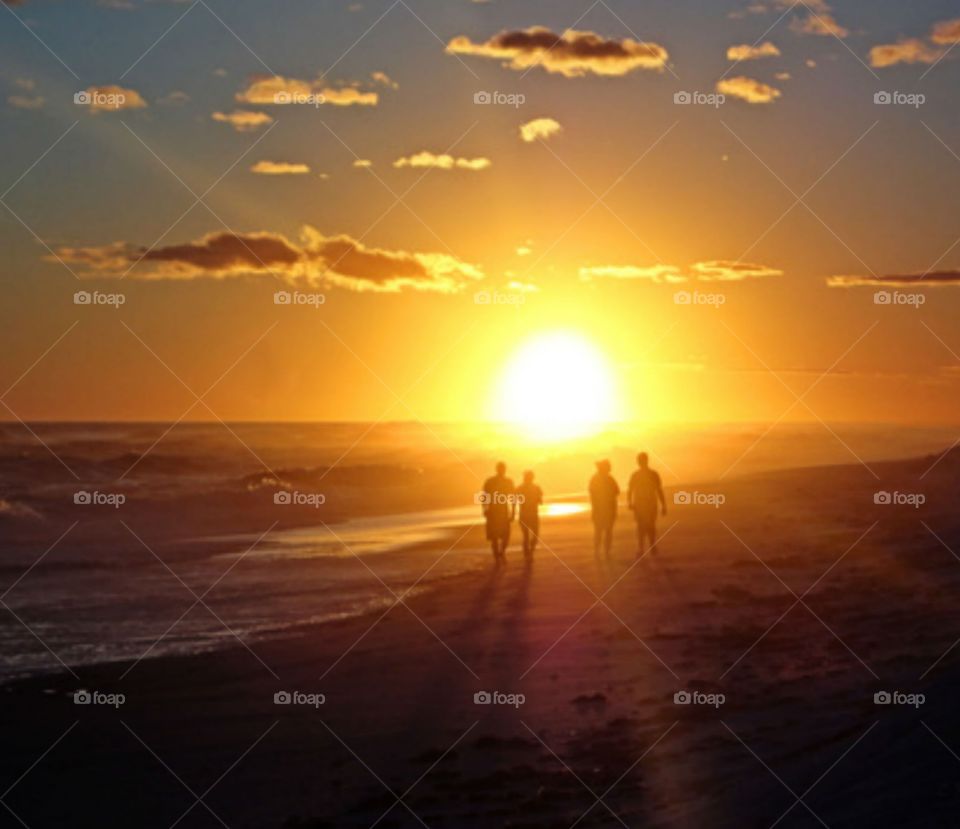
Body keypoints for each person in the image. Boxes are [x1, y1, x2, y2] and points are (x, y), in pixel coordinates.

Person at [627, 452, 666, 558]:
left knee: (648, 526)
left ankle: (648, 547)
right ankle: (644, 547)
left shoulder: (649, 474)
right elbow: (630, 490)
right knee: (644, 526)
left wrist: (664, 505)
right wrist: (629, 502)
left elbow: (659, 490)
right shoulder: (648, 474)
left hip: (647, 504)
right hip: (642, 504)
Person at [481, 461, 515, 563]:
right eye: (500, 469)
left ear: (505, 470)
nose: (502, 471)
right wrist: (485, 509)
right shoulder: (490, 481)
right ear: (497, 469)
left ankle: (501, 552)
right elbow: (484, 496)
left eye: (503, 469)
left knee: (506, 535)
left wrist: (513, 512)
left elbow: (513, 497)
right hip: (492, 511)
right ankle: (497, 557)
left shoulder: (508, 482)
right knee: (494, 537)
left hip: (503, 510)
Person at [588, 459, 619, 557]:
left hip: (600, 509)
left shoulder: (595, 479)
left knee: (599, 531)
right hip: (606, 509)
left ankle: (599, 551)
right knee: (606, 531)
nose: (610, 468)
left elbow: (592, 494)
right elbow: (616, 491)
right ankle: (605, 552)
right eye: (608, 466)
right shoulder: (609, 479)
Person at [516, 470, 543, 559]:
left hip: (529, 515)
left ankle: (529, 551)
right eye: (528, 477)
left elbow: (540, 501)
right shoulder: (521, 488)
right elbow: (540, 501)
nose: (529, 479)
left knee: (531, 536)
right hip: (527, 515)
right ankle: (528, 552)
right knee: (528, 536)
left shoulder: (535, 488)